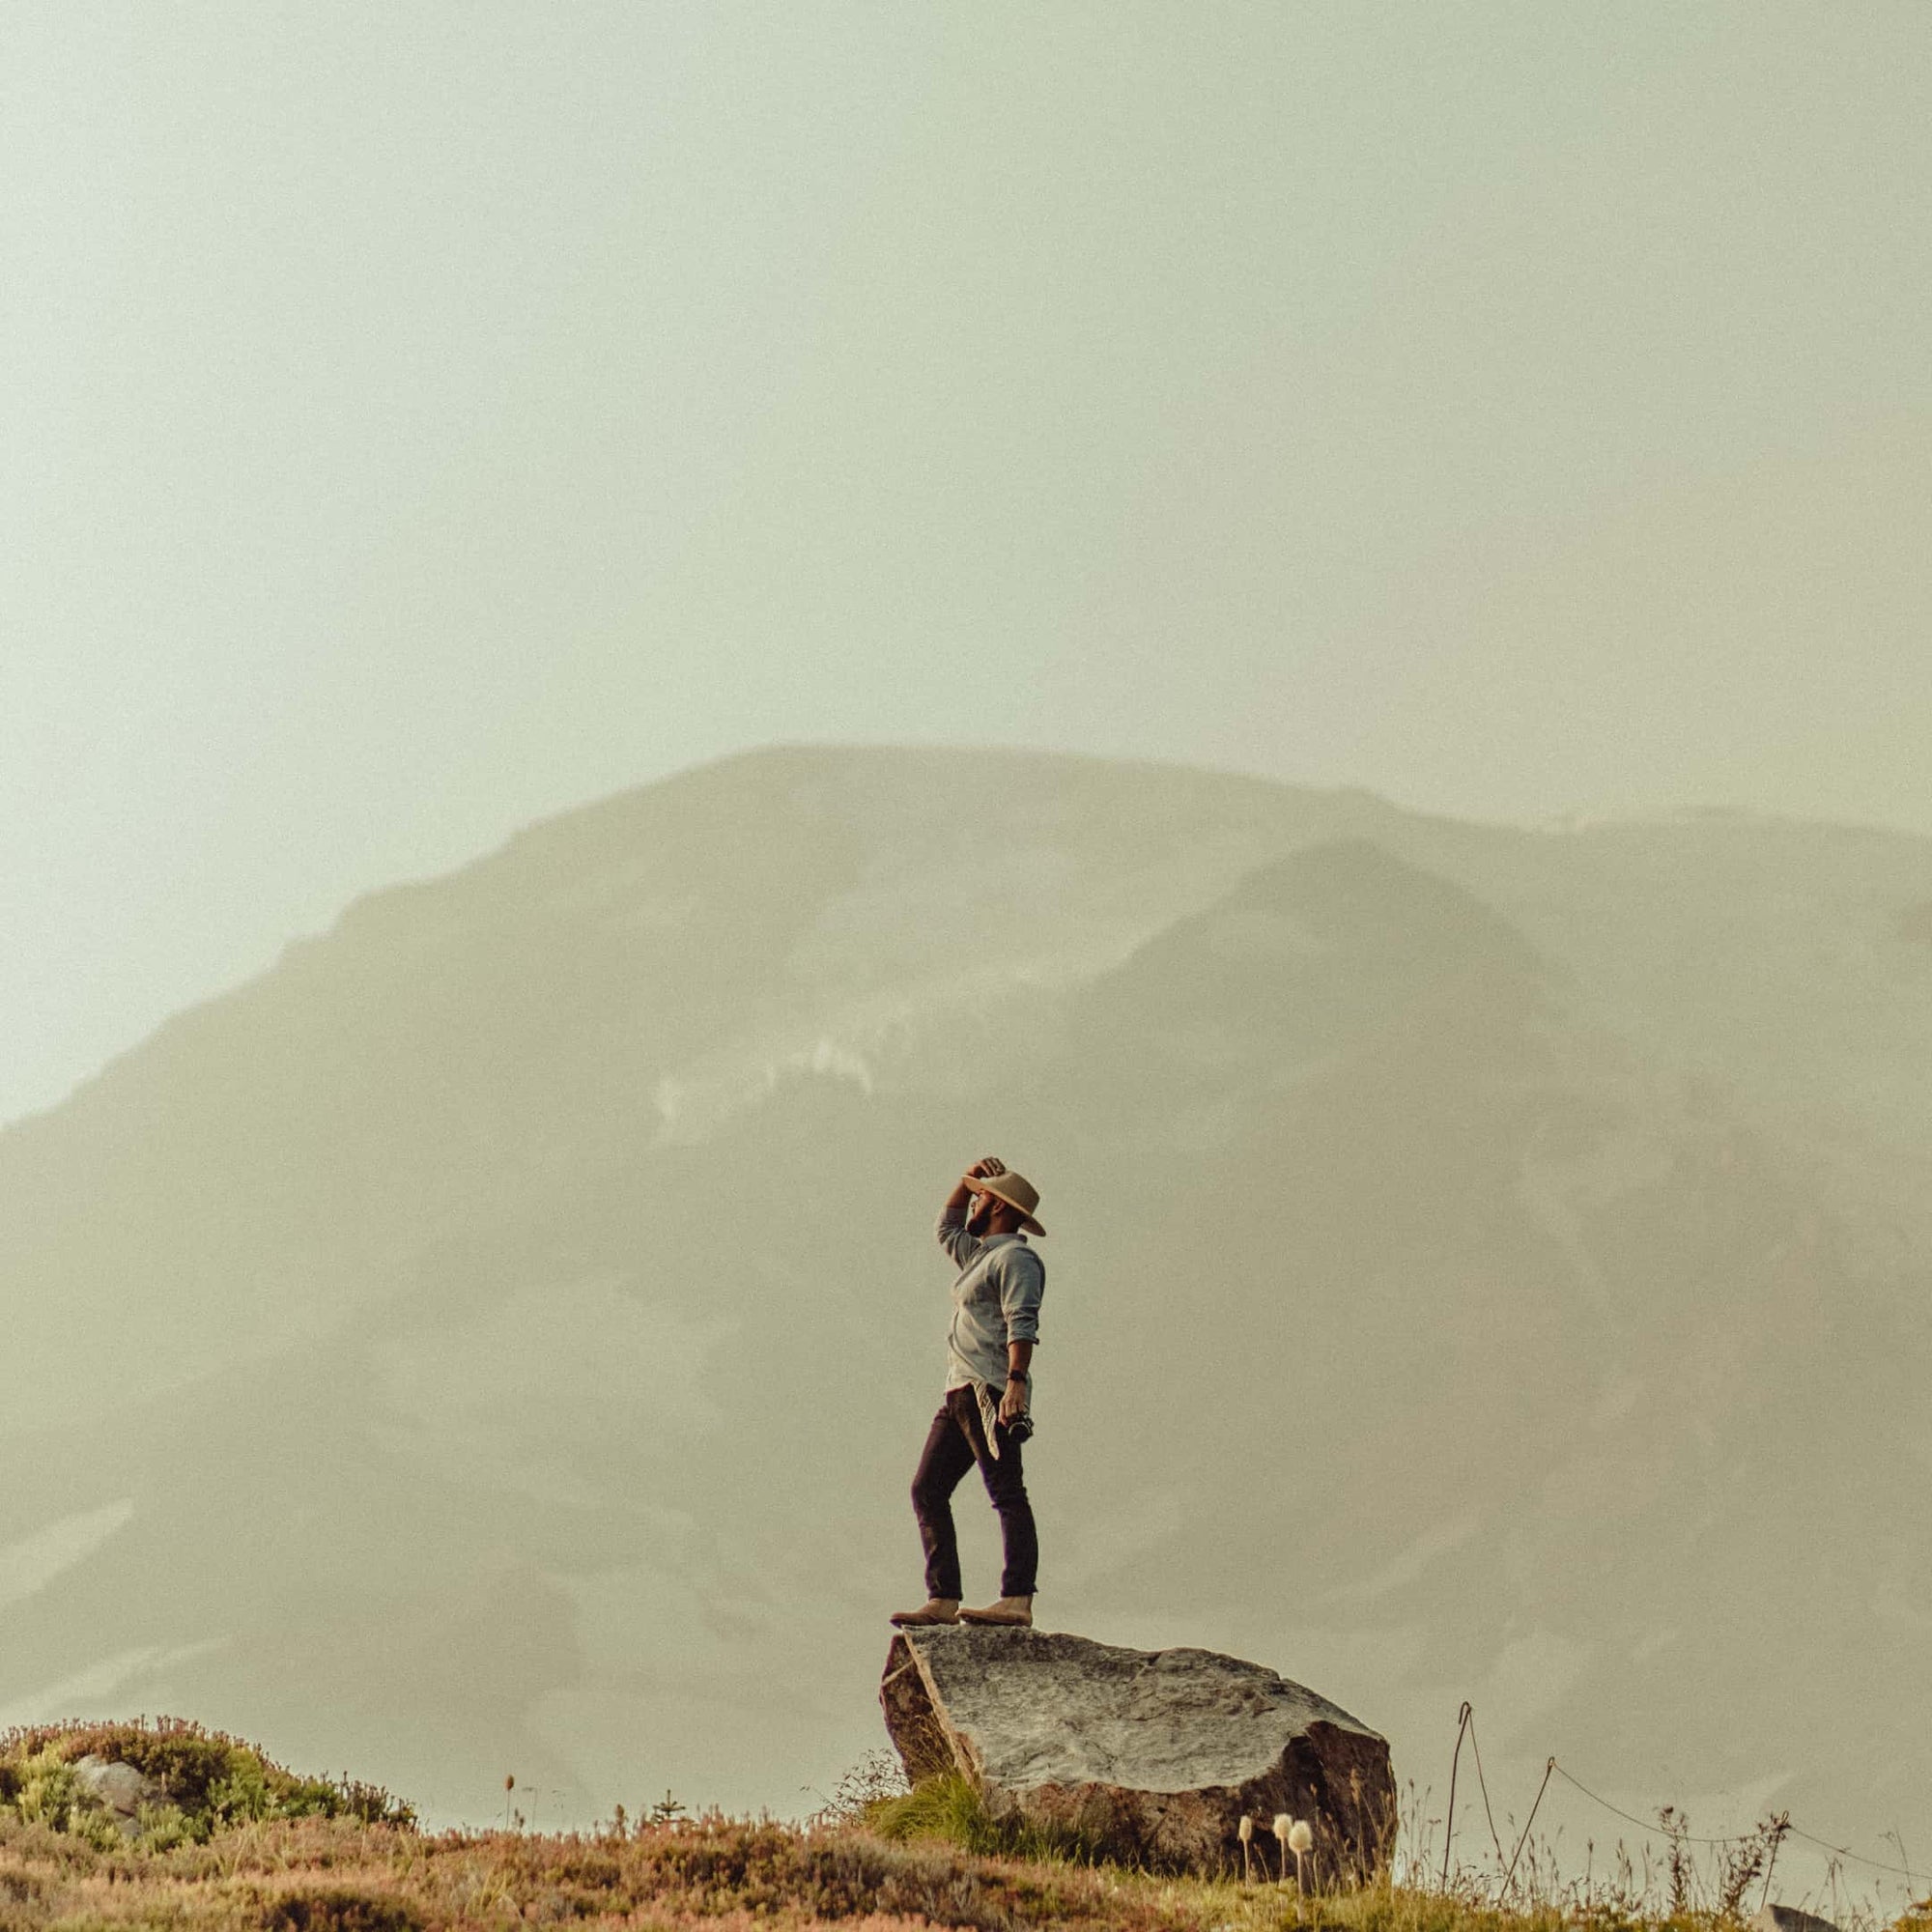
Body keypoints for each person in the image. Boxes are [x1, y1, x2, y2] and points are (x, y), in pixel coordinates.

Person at [892, 1155, 1047, 1630]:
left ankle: (1017, 1598)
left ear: (997, 1208)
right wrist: (967, 1180)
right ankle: (943, 1598)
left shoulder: (1015, 1259)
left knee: (1006, 1492)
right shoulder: (979, 1256)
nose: (973, 1205)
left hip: (989, 1388)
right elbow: (946, 1228)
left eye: (981, 1198)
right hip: (959, 1392)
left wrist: (1016, 1385)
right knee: (928, 1488)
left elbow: (1023, 1321)